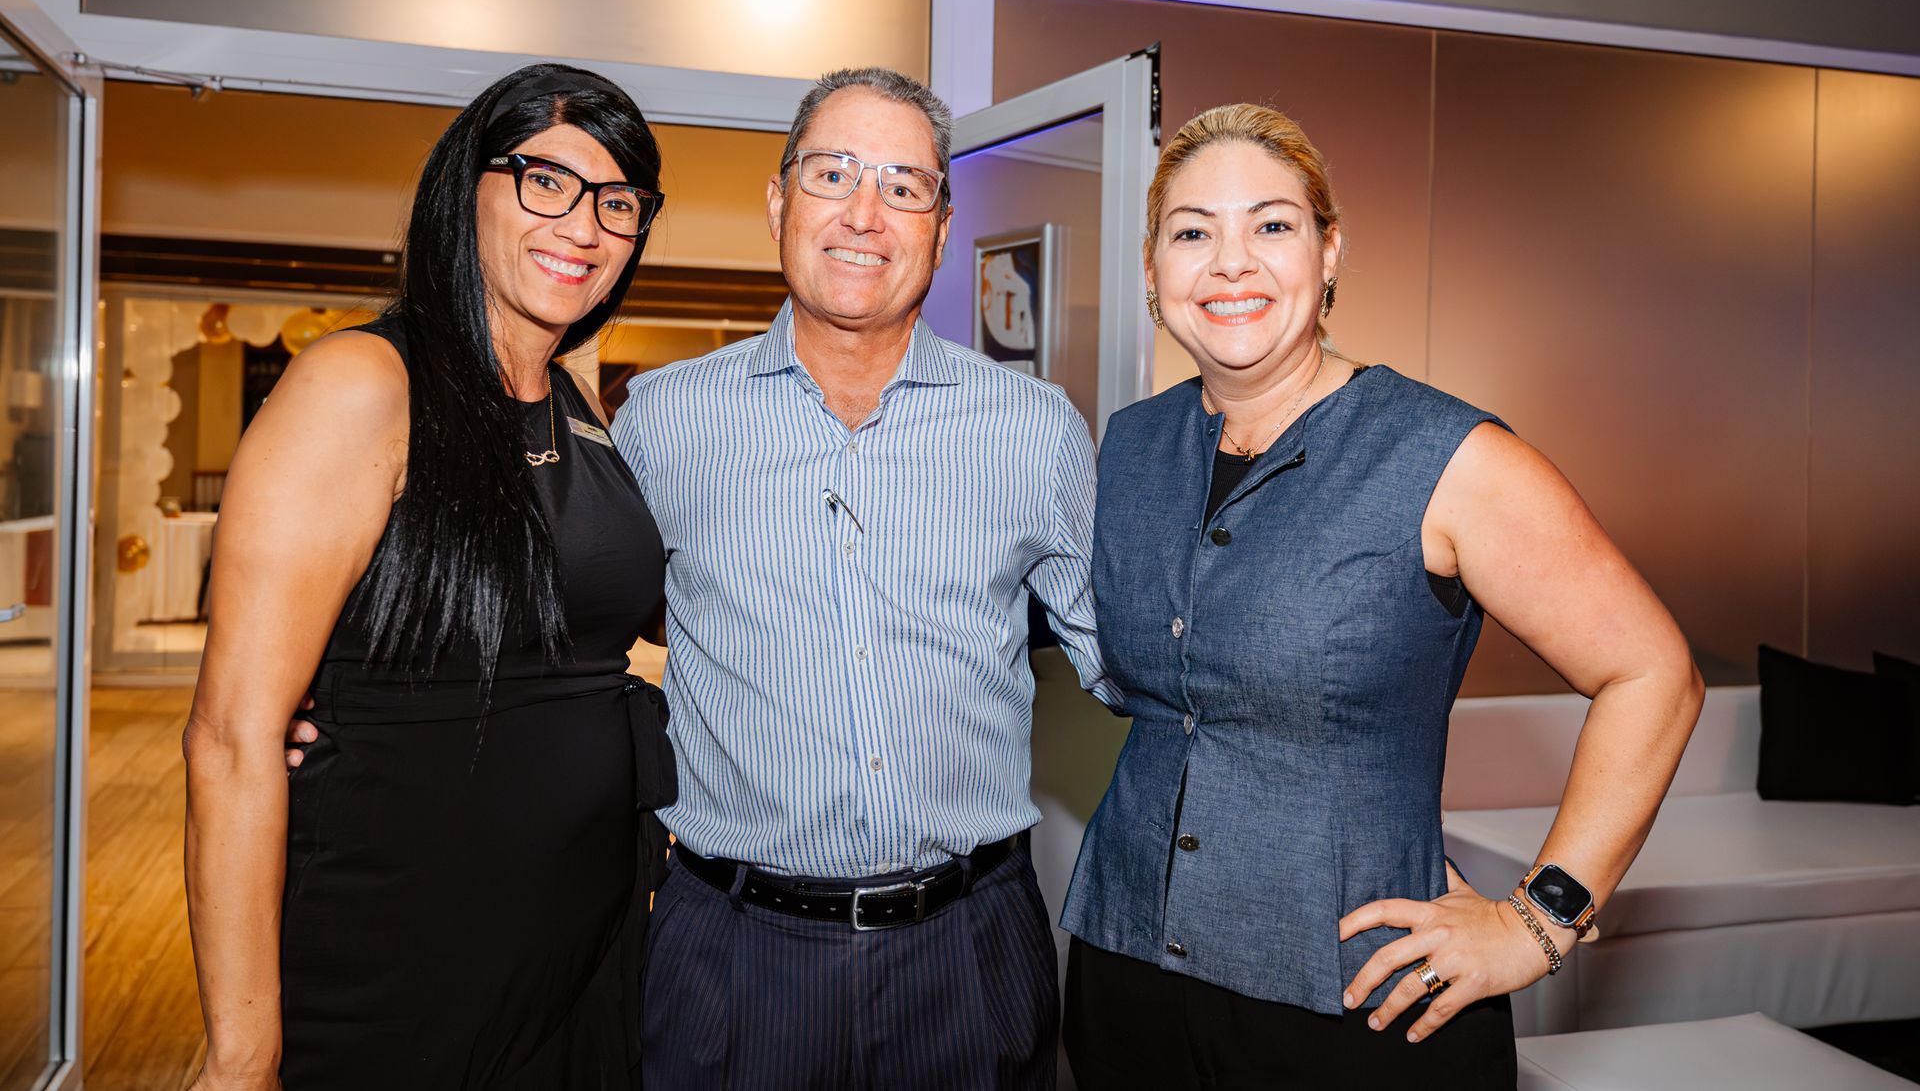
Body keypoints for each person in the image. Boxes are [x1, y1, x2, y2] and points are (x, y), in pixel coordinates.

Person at [1060, 104, 1703, 1088]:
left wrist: (1538, 919)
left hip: (1360, 1004)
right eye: (1193, 231)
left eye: (1272, 225)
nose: (1232, 262)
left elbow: (1652, 671)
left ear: (1329, 253)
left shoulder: (1447, 456)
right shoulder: (1131, 445)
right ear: (1152, 270)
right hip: (1127, 973)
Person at [609, 67, 1118, 1091]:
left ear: (939, 226)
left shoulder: (1034, 430)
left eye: (903, 184)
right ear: (777, 199)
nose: (863, 213)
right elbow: (560, 644)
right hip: (734, 952)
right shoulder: (660, 422)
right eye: (832, 172)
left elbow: (1132, 661)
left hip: (968, 952)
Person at [183, 63, 676, 1091]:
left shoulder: (572, 402)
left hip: (577, 956)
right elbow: (232, 734)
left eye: (618, 201)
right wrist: (243, 1056)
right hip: (401, 959)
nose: (584, 224)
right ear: (468, 189)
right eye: (548, 180)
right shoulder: (364, 381)